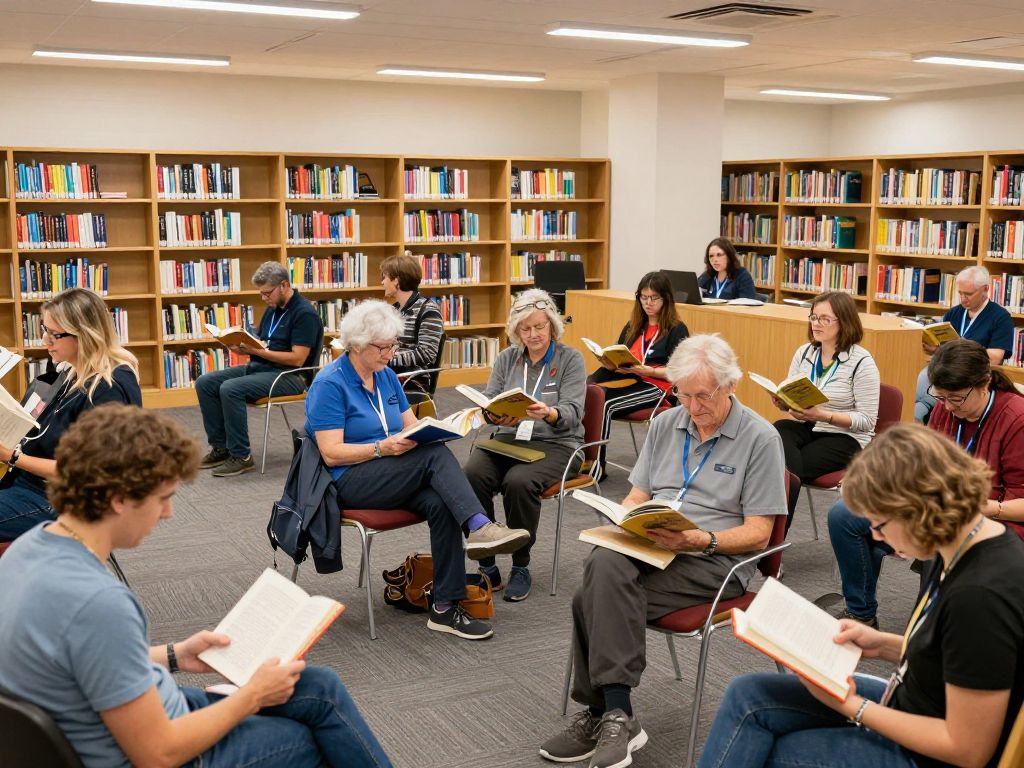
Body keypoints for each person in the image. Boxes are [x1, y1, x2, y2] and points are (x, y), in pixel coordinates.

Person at [0, 404, 393, 768]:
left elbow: (76, 659)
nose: (168, 514)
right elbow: (159, 753)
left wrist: (175, 655)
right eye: (163, 498)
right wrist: (251, 696)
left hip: (121, 716)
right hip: (152, 748)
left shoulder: (27, 550)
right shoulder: (101, 603)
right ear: (119, 499)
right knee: (305, 740)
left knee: (318, 685)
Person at [699, 423, 1024, 768]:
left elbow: (967, 750)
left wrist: (854, 707)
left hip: (932, 754)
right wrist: (883, 644)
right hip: (913, 699)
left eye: (879, 525)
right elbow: (961, 657)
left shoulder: (981, 596)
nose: (877, 537)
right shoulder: (957, 543)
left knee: (779, 756)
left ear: (917, 511)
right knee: (748, 695)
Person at [539, 334, 787, 768]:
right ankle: (618, 713)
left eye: (703, 397)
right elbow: (637, 496)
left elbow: (759, 535)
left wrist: (699, 540)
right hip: (653, 548)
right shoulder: (665, 424)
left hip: (715, 561)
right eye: (683, 395)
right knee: (606, 565)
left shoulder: (760, 439)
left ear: (731, 386)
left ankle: (606, 712)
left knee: (592, 592)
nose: (692, 408)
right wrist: (626, 518)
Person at [304, 300, 530, 640]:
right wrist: (382, 448)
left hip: (392, 472)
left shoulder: (386, 378)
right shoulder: (330, 383)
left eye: (394, 345)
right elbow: (331, 454)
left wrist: (464, 420)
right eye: (383, 347)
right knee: (432, 457)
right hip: (349, 480)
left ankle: (444, 606)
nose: (390, 354)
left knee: (440, 501)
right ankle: (480, 525)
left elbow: (412, 426)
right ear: (357, 345)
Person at [828, 338, 1024, 627]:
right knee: (844, 514)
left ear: (985, 384)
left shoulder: (1016, 419)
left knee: (924, 634)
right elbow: (922, 464)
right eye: (940, 397)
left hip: (992, 519)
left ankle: (931, 624)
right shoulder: (946, 408)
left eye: (955, 399)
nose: (947, 406)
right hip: (935, 504)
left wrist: (978, 508)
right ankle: (861, 612)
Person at [464, 288, 587, 603]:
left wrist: (550, 412)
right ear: (516, 330)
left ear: (552, 325)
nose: (533, 335)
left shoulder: (570, 359)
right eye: (525, 328)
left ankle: (521, 565)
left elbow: (573, 414)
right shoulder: (507, 358)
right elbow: (491, 402)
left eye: (540, 327)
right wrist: (494, 415)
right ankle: (486, 563)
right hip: (509, 440)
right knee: (470, 475)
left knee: (518, 482)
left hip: (557, 443)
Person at [0, 287, 141, 541]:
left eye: (54, 335)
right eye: (44, 330)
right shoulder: (72, 371)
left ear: (85, 335)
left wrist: (12, 456)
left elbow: (86, 473)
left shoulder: (109, 389)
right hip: (30, 482)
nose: (45, 341)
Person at [197, 261, 324, 477]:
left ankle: (242, 456)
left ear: (284, 285)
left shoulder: (304, 314)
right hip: (262, 368)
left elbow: (297, 359)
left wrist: (257, 353)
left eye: (267, 293)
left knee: (230, 388)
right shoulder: (273, 309)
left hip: (290, 376)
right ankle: (221, 447)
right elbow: (264, 343)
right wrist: (242, 347)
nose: (264, 298)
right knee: (205, 383)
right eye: (261, 294)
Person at [771, 291, 879, 510]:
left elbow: (867, 421)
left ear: (845, 322)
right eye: (813, 317)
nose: (816, 324)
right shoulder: (805, 352)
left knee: (782, 467)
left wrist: (824, 415)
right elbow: (791, 391)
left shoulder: (862, 362)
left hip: (845, 437)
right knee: (779, 428)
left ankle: (774, 529)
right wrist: (785, 402)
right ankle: (775, 516)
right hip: (810, 426)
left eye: (824, 319)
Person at [587, 271, 689, 476]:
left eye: (654, 298)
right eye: (643, 297)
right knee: (587, 391)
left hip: (657, 386)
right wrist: (608, 361)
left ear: (666, 299)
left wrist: (648, 370)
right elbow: (619, 352)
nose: (648, 303)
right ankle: (578, 459)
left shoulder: (676, 329)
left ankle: (596, 467)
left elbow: (680, 371)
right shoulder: (634, 325)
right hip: (628, 376)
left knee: (604, 403)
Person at [914, 265, 1014, 423]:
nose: (963, 299)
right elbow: (944, 348)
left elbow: (995, 357)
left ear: (985, 289)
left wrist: (963, 347)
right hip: (946, 371)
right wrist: (936, 349)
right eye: (960, 293)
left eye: (968, 294)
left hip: (974, 377)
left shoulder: (1000, 317)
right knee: (917, 400)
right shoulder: (955, 313)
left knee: (922, 403)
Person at [381, 252, 445, 382]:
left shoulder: (428, 310)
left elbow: (427, 354)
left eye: (385, 277)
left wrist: (387, 359)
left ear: (396, 281)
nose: (382, 282)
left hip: (410, 379)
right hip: (389, 373)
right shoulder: (393, 310)